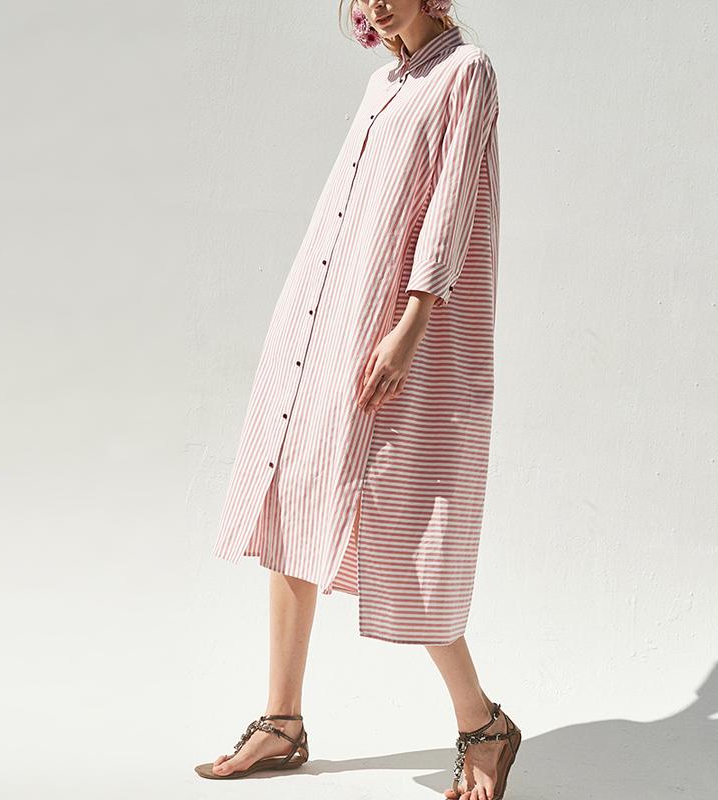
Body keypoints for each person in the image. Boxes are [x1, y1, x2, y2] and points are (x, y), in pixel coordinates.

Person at [195, 2, 521, 798]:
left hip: (395, 325)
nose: (374, 2)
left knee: (404, 527)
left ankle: (483, 722)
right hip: (323, 316)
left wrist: (412, 323)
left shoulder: (464, 72)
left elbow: (452, 206)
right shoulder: (383, 83)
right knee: (292, 491)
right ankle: (282, 721)